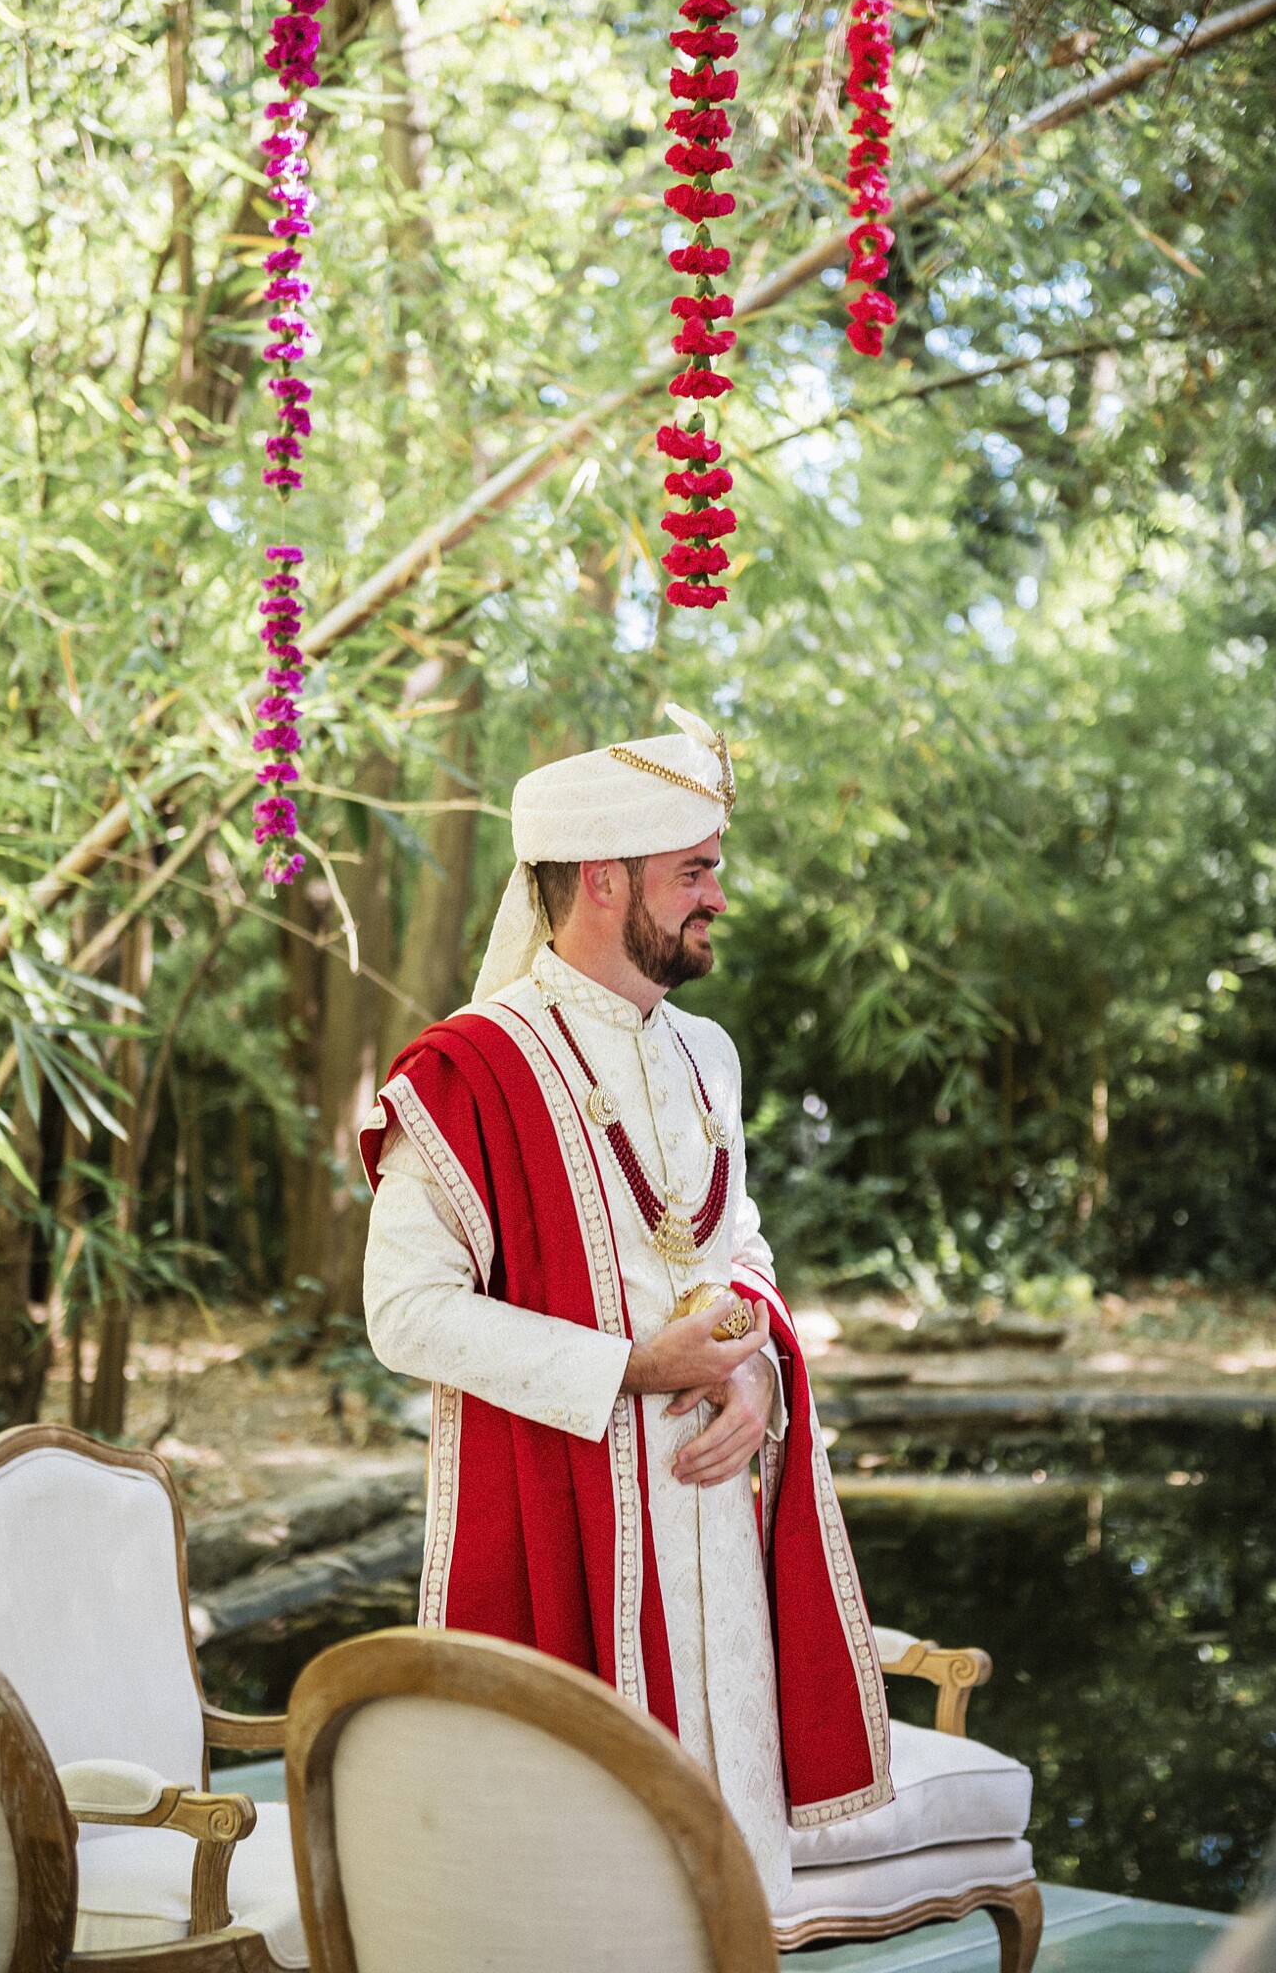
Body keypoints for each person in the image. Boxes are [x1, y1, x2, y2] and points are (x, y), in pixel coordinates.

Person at [360, 704, 891, 1908]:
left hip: (720, 1537)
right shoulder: (465, 1069)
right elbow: (403, 1310)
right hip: (566, 1531)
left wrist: (753, 1372)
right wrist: (626, 1370)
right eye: (693, 871)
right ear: (604, 879)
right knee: (584, 1895)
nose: (717, 894)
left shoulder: (706, 1053)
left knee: (729, 1869)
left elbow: (737, 1243)